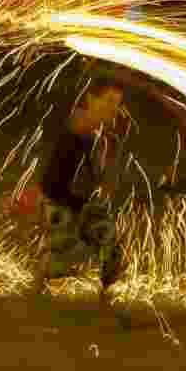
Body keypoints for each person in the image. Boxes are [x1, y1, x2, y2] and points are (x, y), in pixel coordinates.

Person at [32, 76, 126, 308]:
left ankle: (107, 295)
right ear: (91, 99)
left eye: (117, 103)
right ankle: (37, 291)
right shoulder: (78, 127)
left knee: (109, 244)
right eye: (109, 101)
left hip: (79, 200)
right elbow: (56, 175)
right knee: (59, 258)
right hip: (59, 200)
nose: (113, 108)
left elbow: (93, 169)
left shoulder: (95, 131)